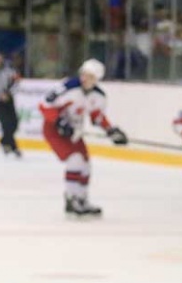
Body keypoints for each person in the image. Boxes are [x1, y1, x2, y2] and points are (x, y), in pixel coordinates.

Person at [40, 59, 128, 217]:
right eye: (84, 74)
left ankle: (81, 199)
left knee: (86, 165)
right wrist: (59, 122)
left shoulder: (98, 96)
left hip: (74, 132)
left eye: (90, 76)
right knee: (75, 160)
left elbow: (97, 117)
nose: (85, 78)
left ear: (97, 79)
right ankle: (71, 199)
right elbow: (44, 105)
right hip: (53, 129)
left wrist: (111, 131)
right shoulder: (68, 87)